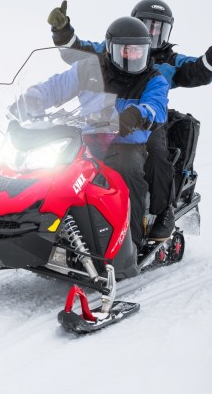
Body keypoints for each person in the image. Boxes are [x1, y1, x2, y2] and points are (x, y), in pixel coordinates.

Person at [46, 0, 212, 241]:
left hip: (149, 120)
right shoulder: (113, 48)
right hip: (106, 118)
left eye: (159, 28)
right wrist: (62, 31)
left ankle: (163, 213)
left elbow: (200, 70)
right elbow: (78, 52)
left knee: (156, 155)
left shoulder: (170, 61)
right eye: (148, 24)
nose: (153, 32)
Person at [18, 17, 168, 249]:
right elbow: (56, 86)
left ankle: (131, 244)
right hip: (84, 137)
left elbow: (156, 107)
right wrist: (33, 99)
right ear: (111, 49)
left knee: (127, 171)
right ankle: (32, 229)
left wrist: (137, 115)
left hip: (125, 142)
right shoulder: (89, 67)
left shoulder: (154, 79)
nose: (133, 56)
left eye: (139, 51)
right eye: (125, 51)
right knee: (48, 171)